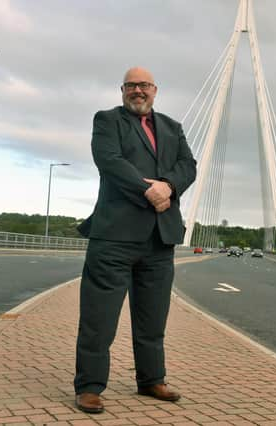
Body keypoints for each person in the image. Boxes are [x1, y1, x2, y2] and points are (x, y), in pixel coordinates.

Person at [73, 66, 196, 414]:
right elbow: (109, 162)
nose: (137, 91)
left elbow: (189, 165)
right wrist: (149, 190)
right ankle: (89, 387)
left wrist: (169, 187)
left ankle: (151, 380)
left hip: (160, 238)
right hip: (114, 237)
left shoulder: (173, 128)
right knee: (99, 318)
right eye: (131, 86)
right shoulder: (107, 121)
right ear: (122, 90)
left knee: (153, 318)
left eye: (144, 85)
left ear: (155, 90)